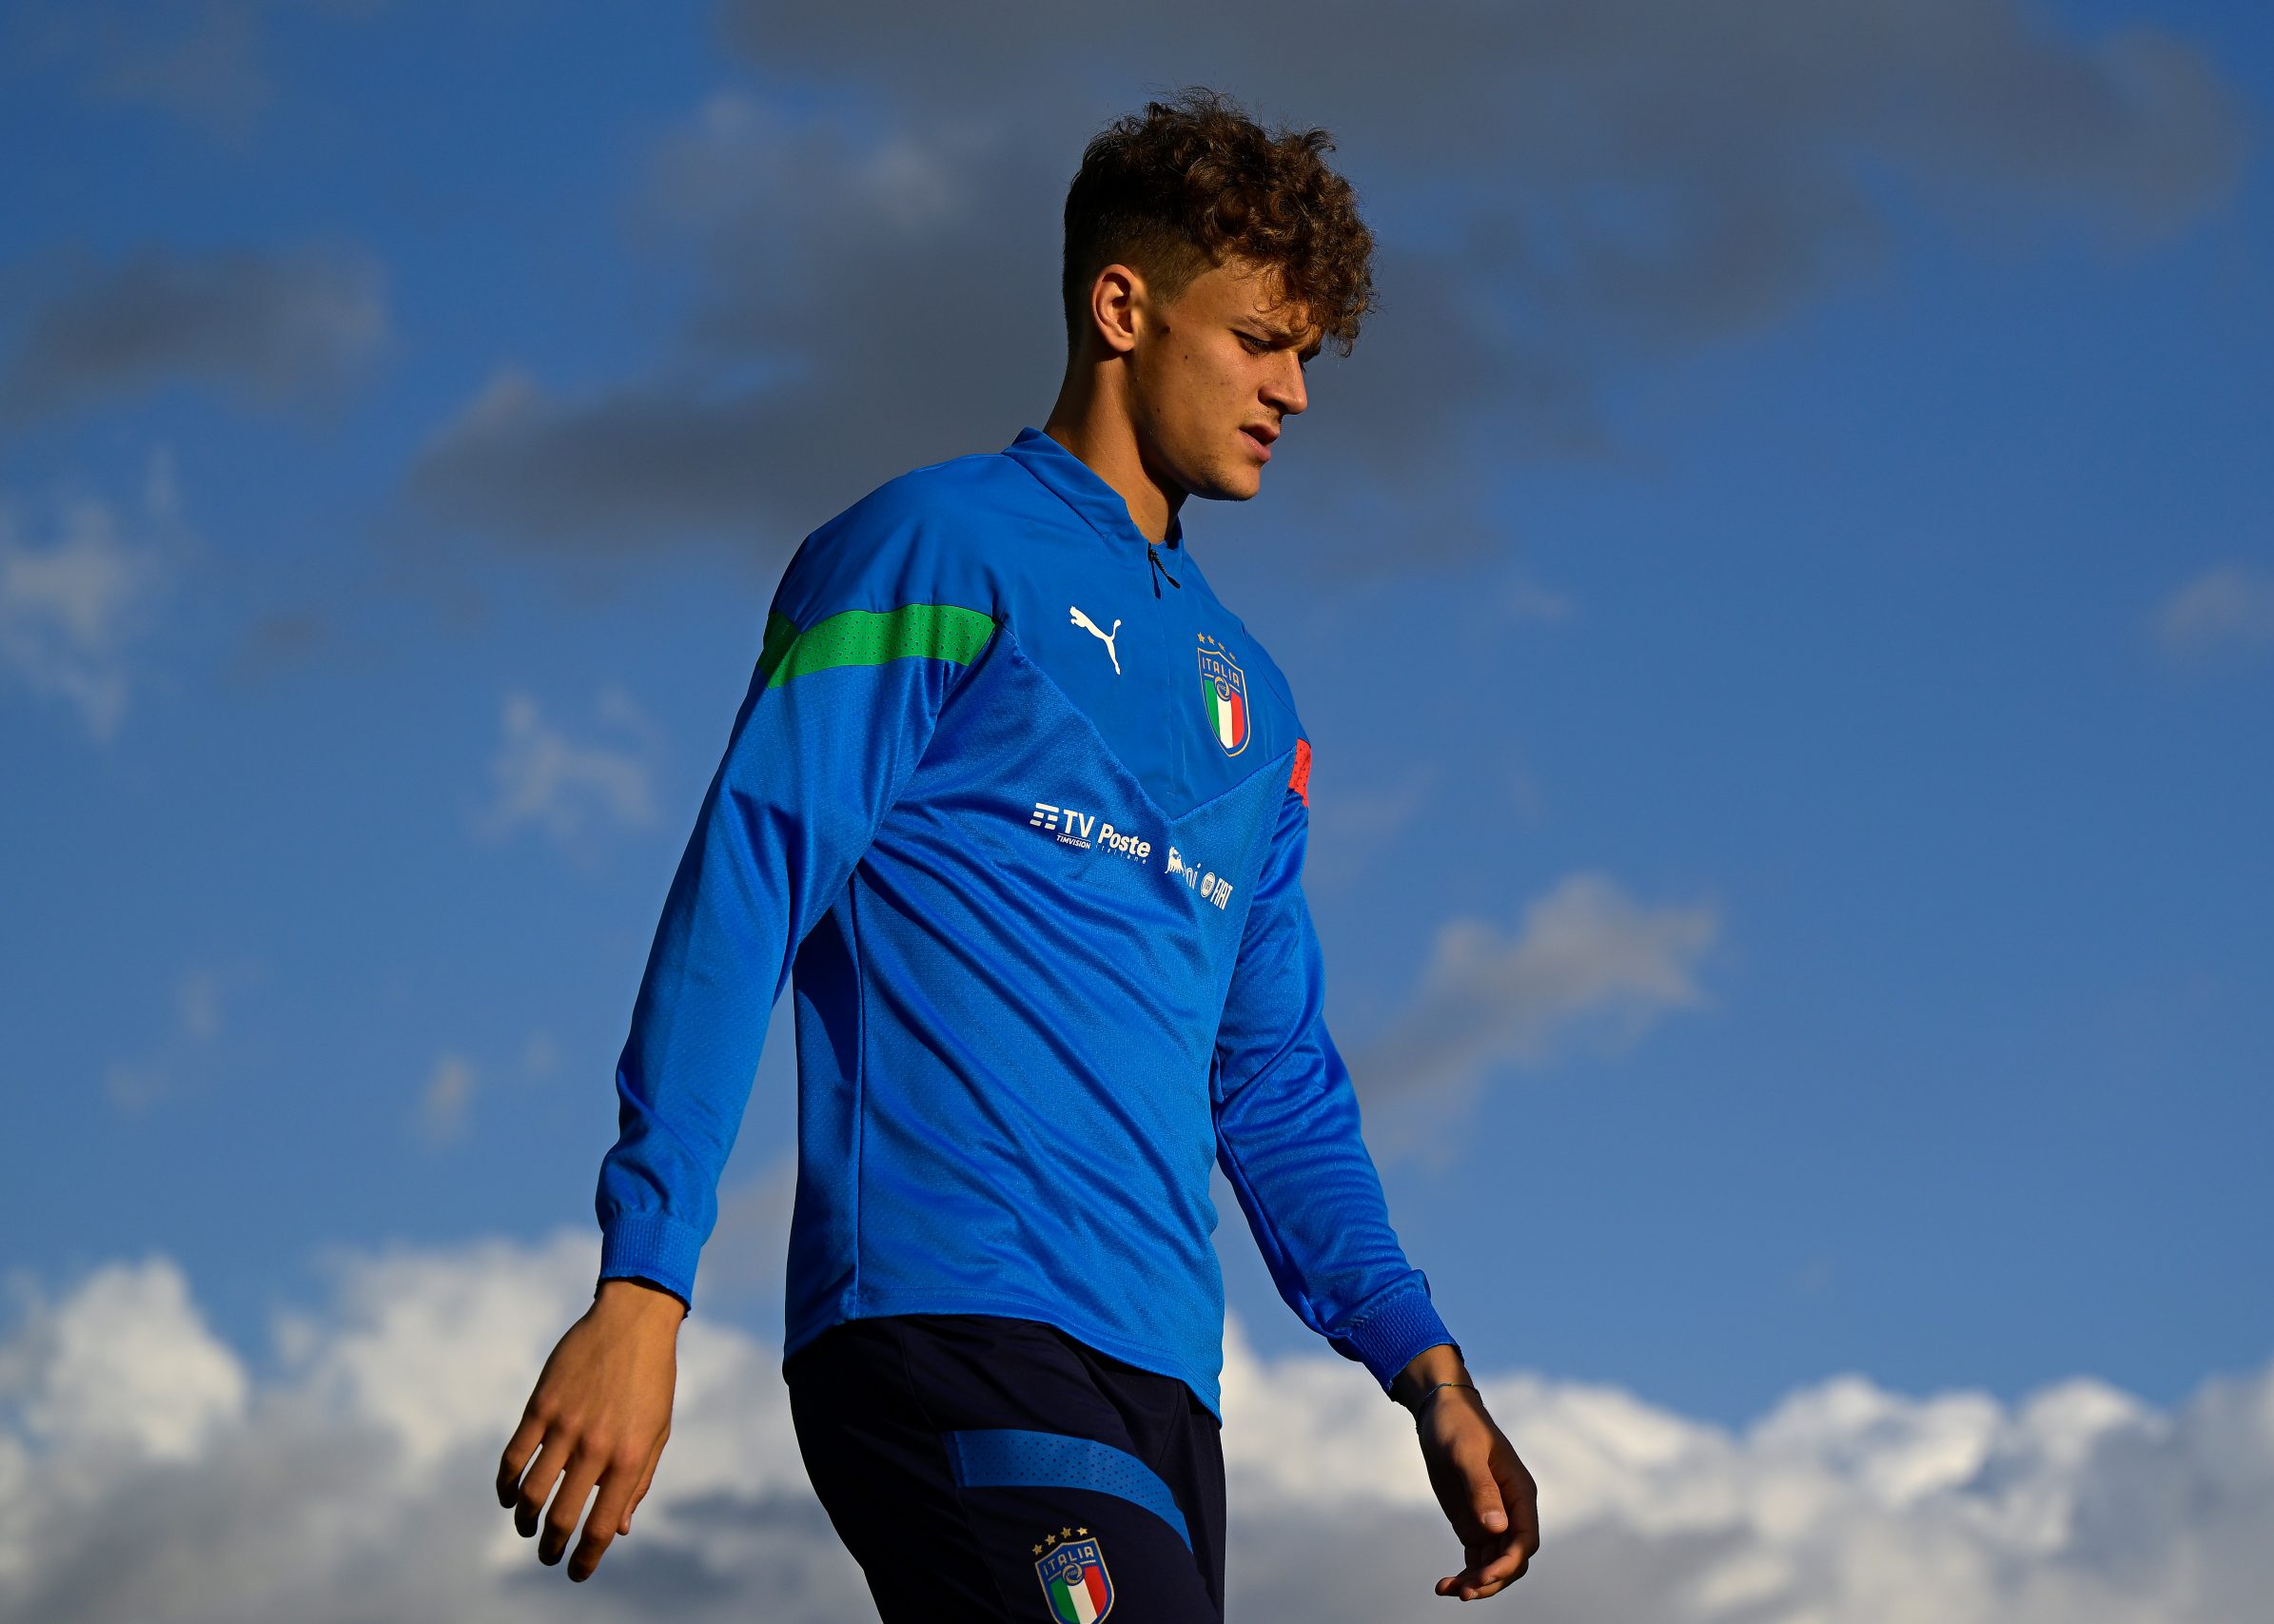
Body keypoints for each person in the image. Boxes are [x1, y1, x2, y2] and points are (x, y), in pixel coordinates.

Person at [494, 86, 1539, 1620]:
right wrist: (643, 1285)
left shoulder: (1263, 708)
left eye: (1308, 354)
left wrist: (1422, 1366)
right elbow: (750, 880)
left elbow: (1273, 1076)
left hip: (1167, 1380)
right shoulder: (931, 549)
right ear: (1125, 308)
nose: (1296, 392)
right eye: (1260, 340)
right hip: (944, 1319)